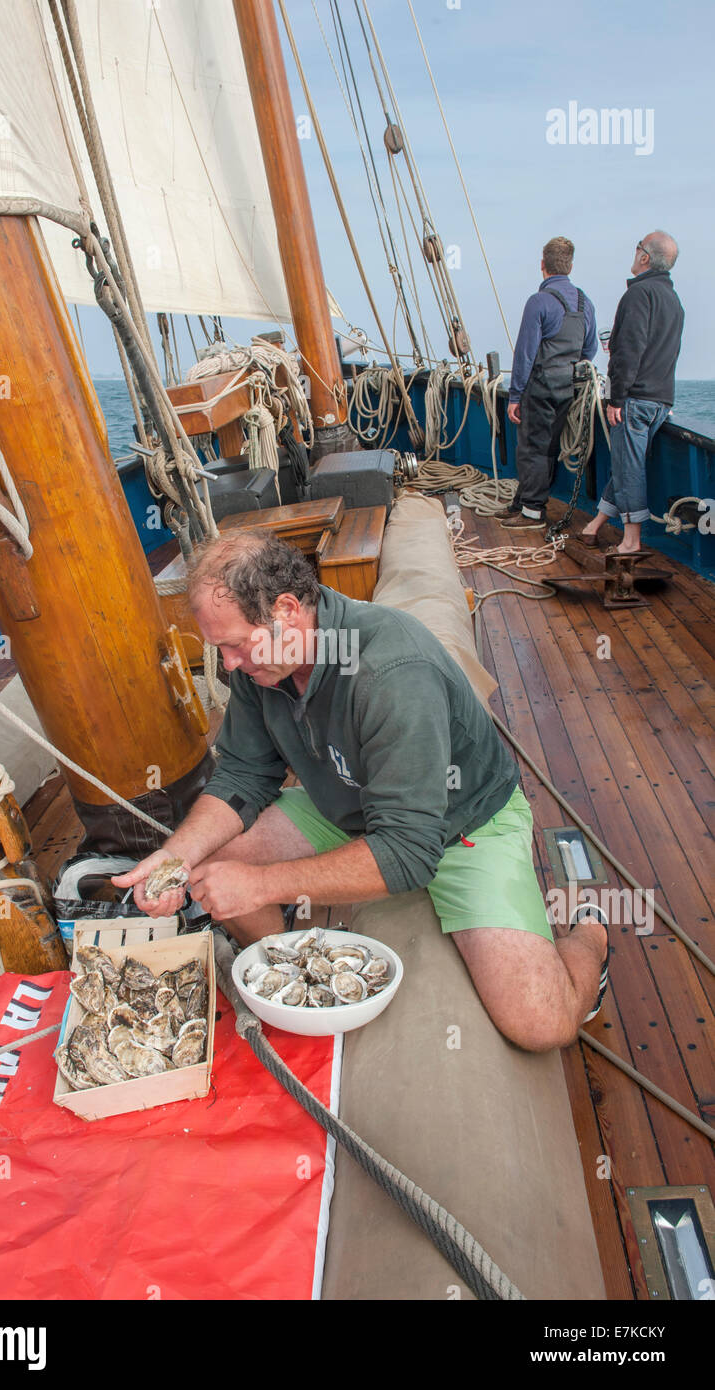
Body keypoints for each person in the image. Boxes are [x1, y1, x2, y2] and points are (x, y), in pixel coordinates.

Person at [113, 531, 608, 1054]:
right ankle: (296, 977)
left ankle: (593, 936)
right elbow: (241, 775)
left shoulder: (392, 672)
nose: (229, 664)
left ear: (286, 610)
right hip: (347, 805)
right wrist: (174, 858)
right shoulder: (263, 663)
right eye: (221, 648)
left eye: (235, 645)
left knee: (541, 1024)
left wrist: (259, 886)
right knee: (210, 854)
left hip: (462, 825)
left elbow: (409, 853)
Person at [578, 231, 684, 554]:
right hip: (660, 401)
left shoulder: (638, 295)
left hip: (633, 400)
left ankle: (631, 541)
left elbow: (628, 352)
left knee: (630, 468)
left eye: (638, 246)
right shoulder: (673, 301)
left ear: (645, 257)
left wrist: (616, 398)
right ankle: (596, 523)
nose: (634, 250)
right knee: (625, 463)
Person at [500, 236, 598, 530]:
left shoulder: (539, 302)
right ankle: (522, 501)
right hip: (567, 388)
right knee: (548, 447)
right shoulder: (585, 302)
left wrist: (515, 395)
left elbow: (526, 353)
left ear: (543, 265)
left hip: (540, 386)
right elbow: (589, 350)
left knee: (532, 449)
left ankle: (532, 512)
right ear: (569, 265)